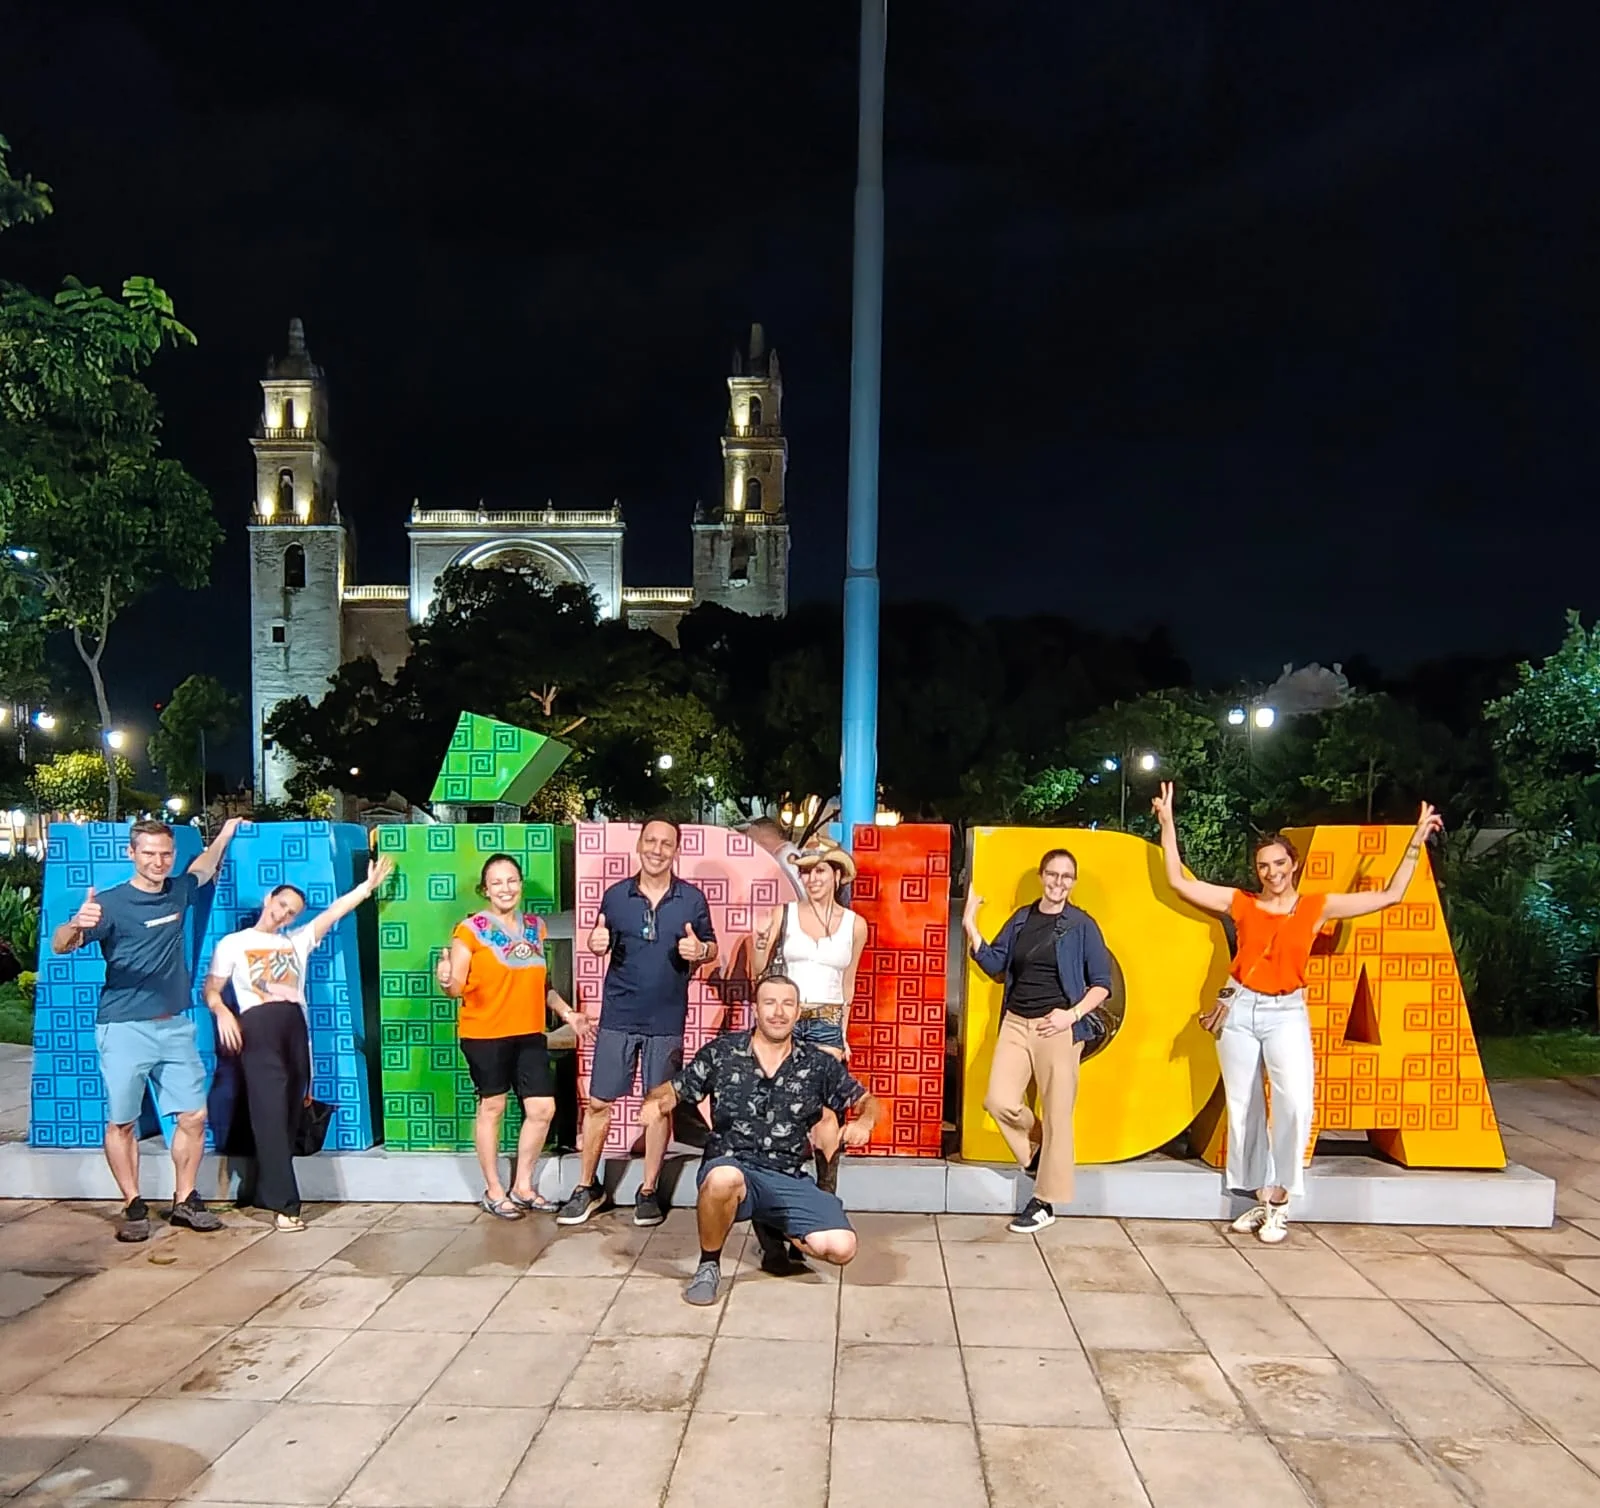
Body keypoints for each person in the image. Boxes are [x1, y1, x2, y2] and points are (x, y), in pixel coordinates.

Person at [1153, 781, 1443, 1243]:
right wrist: (1168, 823)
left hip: (1286, 1012)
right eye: (1263, 866)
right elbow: (1179, 882)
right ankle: (1259, 1198)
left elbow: (1390, 896)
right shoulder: (1241, 903)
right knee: (1244, 1107)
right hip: (1239, 1010)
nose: (1271, 872)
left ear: (1293, 865)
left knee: (1294, 1104)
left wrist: (1414, 842)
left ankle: (1281, 1201)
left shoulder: (1315, 906)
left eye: (1279, 864)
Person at [51, 816, 243, 1242]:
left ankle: (185, 1199)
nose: (158, 862)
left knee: (193, 1116)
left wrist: (225, 833)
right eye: (149, 854)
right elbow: (61, 945)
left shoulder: (178, 891)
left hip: (174, 1026)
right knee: (122, 1122)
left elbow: (203, 868)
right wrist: (75, 925)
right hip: (123, 1028)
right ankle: (133, 1204)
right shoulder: (110, 904)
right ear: (131, 854)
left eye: (165, 854)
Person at [639, 972, 882, 1306]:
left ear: (798, 1012)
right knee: (723, 1178)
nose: (778, 1012)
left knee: (841, 1248)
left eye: (787, 1004)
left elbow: (868, 1100)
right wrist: (657, 1102)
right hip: (733, 1164)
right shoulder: (723, 1052)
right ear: (756, 1009)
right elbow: (672, 1090)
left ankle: (775, 1224)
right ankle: (709, 1266)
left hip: (786, 1175)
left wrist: (865, 1121)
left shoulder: (817, 1064)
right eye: (769, 1003)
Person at [204, 854, 394, 1231]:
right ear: (268, 900)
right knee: (270, 1116)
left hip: (294, 1032)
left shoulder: (296, 942)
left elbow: (334, 913)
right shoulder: (234, 943)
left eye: (291, 912)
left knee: (289, 1116)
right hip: (258, 1029)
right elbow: (212, 988)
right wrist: (222, 1011)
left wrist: (366, 888)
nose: (283, 914)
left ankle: (264, 1190)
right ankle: (285, 1204)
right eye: (281, 905)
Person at [557, 817, 718, 1228]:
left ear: (676, 850)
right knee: (598, 1103)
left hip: (667, 1019)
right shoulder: (616, 896)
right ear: (639, 845)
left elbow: (711, 947)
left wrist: (700, 951)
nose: (657, 849)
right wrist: (596, 944)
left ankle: (648, 1190)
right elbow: (600, 938)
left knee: (658, 1105)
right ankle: (587, 1186)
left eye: (666, 843)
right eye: (651, 841)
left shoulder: (692, 899)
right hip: (618, 1015)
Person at [963, 848, 1113, 1235]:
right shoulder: (1022, 918)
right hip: (1016, 1022)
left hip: (1058, 1028)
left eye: (1066, 876)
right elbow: (996, 965)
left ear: (1073, 883)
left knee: (1058, 1113)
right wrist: (971, 926)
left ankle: (1044, 1202)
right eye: (1052, 874)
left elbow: (1102, 985)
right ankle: (1036, 1153)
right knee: (998, 1101)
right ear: (1042, 876)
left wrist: (1071, 1016)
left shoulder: (1081, 925)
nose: (1058, 882)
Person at [436, 853, 589, 1219]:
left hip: (529, 1033)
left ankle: (523, 1186)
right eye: (497, 883)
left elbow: (541, 985)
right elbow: (455, 987)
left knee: (542, 1109)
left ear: (520, 884)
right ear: (485, 889)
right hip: (485, 1034)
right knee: (493, 1107)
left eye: (512, 881)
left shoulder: (536, 927)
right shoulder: (469, 930)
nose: (505, 888)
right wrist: (445, 978)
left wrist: (568, 1013)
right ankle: (493, 1190)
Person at [752, 838, 867, 1193]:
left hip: (827, 1022)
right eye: (805, 872)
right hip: (784, 1020)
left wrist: (843, 1032)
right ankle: (779, 1190)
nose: (812, 879)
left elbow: (848, 983)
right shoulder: (784, 913)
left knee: (826, 1112)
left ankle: (826, 1192)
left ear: (837, 876)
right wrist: (759, 945)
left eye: (819, 871)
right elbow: (758, 973)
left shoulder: (855, 925)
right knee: (780, 1107)